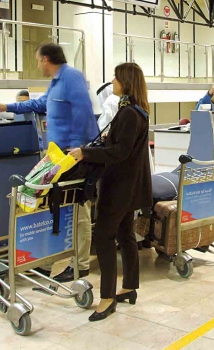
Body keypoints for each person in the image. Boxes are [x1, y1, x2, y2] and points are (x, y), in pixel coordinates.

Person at [0, 43, 98, 282]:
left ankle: (80, 265)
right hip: (56, 157)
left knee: (78, 210)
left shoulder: (71, 77)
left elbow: (83, 113)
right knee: (52, 205)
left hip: (72, 157)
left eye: (38, 61)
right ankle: (47, 260)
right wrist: (7, 106)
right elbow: (39, 104)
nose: (38, 65)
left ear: (46, 59)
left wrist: (78, 150)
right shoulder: (56, 83)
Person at [69, 63, 153, 322]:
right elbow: (122, 146)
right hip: (131, 186)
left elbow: (120, 152)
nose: (113, 81)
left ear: (126, 82)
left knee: (103, 237)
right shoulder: (137, 110)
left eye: (116, 77)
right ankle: (129, 286)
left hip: (119, 187)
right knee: (126, 234)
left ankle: (107, 298)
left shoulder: (128, 113)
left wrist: (86, 153)